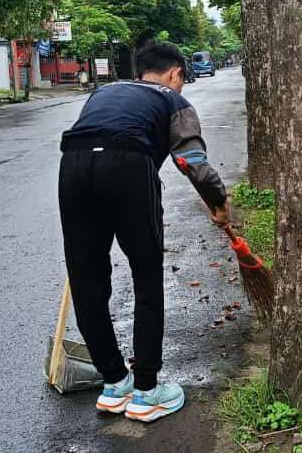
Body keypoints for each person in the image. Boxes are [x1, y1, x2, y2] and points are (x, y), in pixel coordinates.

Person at [58, 41, 231, 423]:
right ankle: (147, 391)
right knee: (146, 277)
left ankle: (114, 383)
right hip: (128, 167)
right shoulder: (173, 101)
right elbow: (191, 159)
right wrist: (218, 203)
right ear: (175, 74)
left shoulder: (105, 91)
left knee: (88, 281)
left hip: (72, 167)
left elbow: (93, 134)